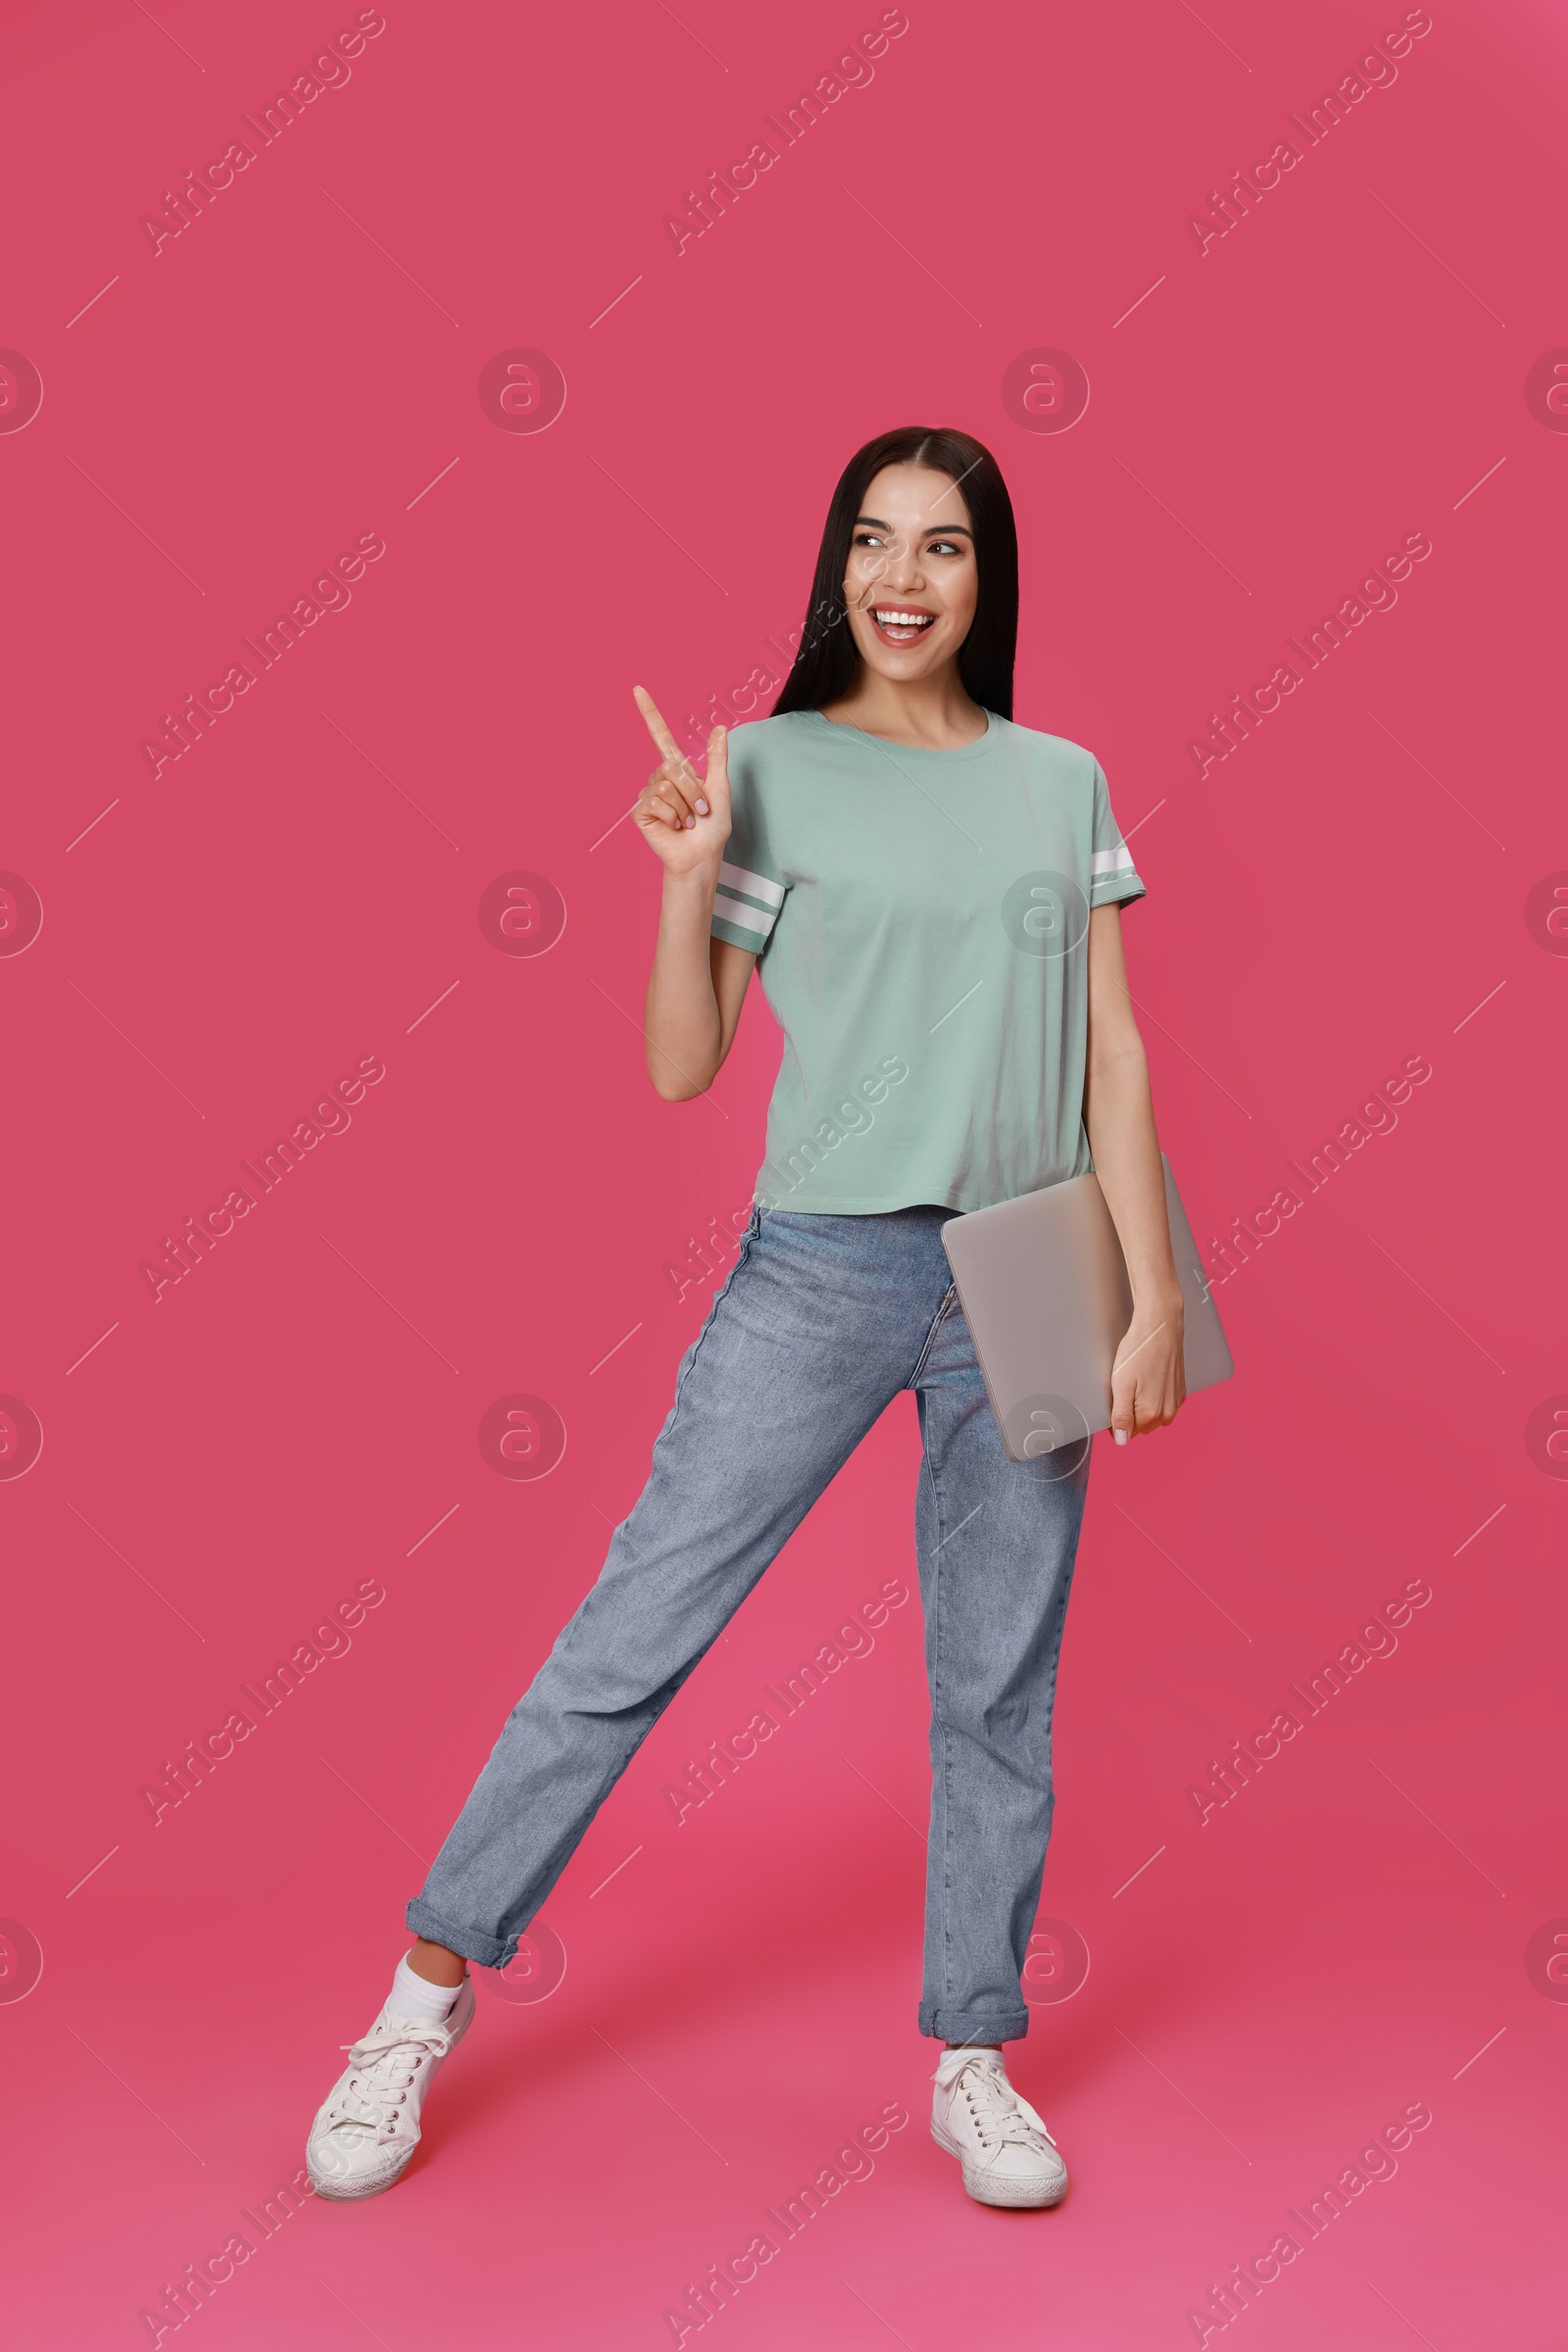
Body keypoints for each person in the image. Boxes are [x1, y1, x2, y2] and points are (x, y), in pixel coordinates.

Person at [306, 424, 1186, 2211]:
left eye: (943, 545)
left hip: (1035, 1258)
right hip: (828, 1264)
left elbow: (1112, 1045)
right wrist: (684, 878)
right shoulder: (764, 768)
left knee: (999, 1684)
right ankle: (417, 2002)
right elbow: (683, 1063)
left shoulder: (1061, 778)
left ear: (987, 574)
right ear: (837, 567)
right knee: (632, 1632)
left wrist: (1152, 1287)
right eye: (875, 540)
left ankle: (974, 2056)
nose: (904, 578)